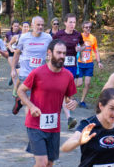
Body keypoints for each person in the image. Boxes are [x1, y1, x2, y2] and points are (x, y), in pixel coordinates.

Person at [17, 39, 77, 167]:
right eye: (59, 53)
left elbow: (69, 98)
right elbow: (20, 91)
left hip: (54, 126)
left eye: (64, 53)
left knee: (49, 163)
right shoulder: (37, 73)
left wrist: (73, 102)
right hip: (35, 124)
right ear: (49, 53)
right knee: (42, 162)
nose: (62, 56)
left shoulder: (68, 76)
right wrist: (31, 106)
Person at [61, 88, 114, 167]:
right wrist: (79, 141)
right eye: (111, 109)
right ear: (101, 106)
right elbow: (65, 147)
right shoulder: (89, 124)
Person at [11, 16, 52, 115]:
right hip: (26, 73)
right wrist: (13, 69)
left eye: (42, 25)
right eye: (38, 24)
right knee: (30, 100)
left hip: (41, 74)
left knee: (37, 99)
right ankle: (30, 126)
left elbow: (51, 53)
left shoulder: (48, 38)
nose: (40, 27)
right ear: (32, 25)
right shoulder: (24, 37)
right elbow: (17, 53)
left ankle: (20, 101)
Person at [53, 13, 85, 128]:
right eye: (70, 22)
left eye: (74, 22)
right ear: (65, 23)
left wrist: (80, 49)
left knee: (67, 92)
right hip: (60, 66)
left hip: (72, 66)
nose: (72, 24)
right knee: (63, 91)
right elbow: (51, 46)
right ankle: (68, 117)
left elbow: (83, 45)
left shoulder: (77, 34)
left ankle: (66, 114)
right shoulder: (59, 34)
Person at [77, 21, 103, 108]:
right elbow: (75, 48)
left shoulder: (93, 38)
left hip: (89, 64)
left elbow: (96, 51)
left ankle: (82, 101)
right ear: (83, 28)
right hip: (80, 63)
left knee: (87, 83)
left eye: (89, 27)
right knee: (79, 83)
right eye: (86, 27)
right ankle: (69, 96)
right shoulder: (79, 36)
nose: (88, 29)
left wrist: (99, 62)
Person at [8, 21, 30, 97]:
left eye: (27, 27)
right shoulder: (17, 37)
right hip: (18, 58)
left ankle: (17, 86)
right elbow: (9, 44)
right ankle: (15, 88)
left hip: (26, 59)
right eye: (24, 26)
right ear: (22, 27)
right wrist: (11, 49)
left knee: (24, 75)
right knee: (20, 73)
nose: (26, 28)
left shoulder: (31, 37)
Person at [4, 20, 21, 85]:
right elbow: (4, 41)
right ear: (12, 26)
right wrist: (7, 44)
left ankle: (12, 76)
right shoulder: (8, 33)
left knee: (17, 69)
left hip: (18, 53)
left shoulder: (21, 33)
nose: (16, 27)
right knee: (14, 67)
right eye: (15, 26)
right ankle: (15, 87)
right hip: (10, 53)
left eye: (17, 26)